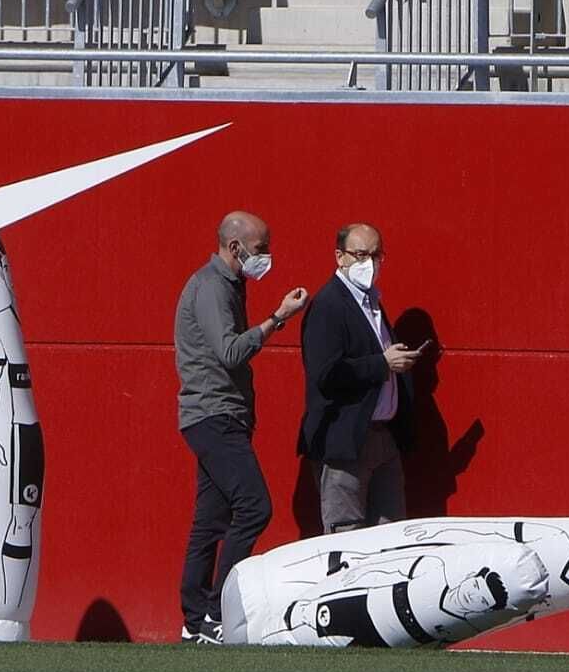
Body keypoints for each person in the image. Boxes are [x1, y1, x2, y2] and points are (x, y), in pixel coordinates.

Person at [174, 211, 308, 644]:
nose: (265, 257)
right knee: (255, 507)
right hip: (213, 415)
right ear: (236, 248)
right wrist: (277, 318)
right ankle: (214, 610)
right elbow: (230, 352)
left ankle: (195, 620)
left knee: (211, 519)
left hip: (219, 415)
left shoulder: (227, 285)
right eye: (261, 248)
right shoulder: (212, 287)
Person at [296, 223, 418, 534]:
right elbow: (326, 374)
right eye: (361, 255)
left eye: (376, 255)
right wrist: (382, 363)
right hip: (345, 440)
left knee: (391, 533)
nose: (370, 264)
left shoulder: (371, 303)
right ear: (340, 257)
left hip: (382, 436)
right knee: (346, 536)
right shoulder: (328, 306)